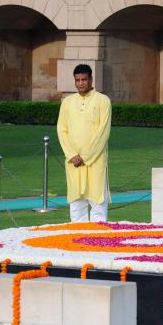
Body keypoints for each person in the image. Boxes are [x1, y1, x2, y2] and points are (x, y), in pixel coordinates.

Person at [56, 64, 112, 223]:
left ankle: (98, 235)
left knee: (97, 200)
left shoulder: (103, 100)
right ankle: (77, 234)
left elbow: (103, 133)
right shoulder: (67, 102)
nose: (80, 83)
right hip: (73, 161)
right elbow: (61, 130)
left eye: (84, 79)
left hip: (95, 160)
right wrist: (72, 155)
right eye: (77, 80)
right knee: (76, 201)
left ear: (91, 79)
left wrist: (85, 157)